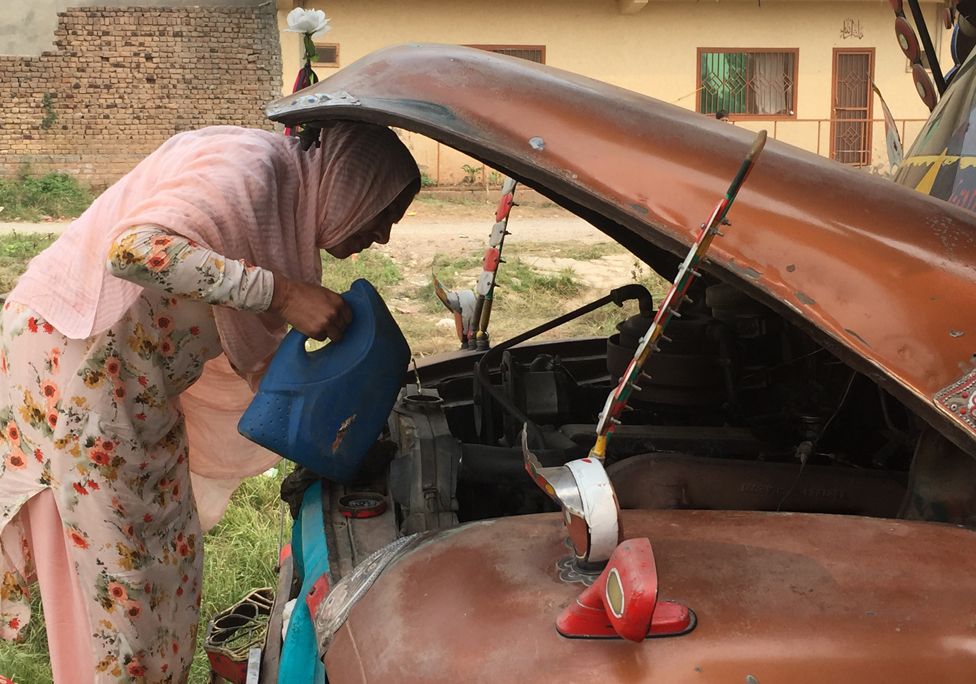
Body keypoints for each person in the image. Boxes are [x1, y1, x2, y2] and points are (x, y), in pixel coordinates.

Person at [0, 122, 420, 682]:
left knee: (169, 558)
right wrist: (284, 293)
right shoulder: (251, 169)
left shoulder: (282, 194)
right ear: (352, 184)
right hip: (80, 374)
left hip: (134, 384)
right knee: (123, 588)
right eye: (384, 216)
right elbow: (133, 250)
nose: (384, 238)